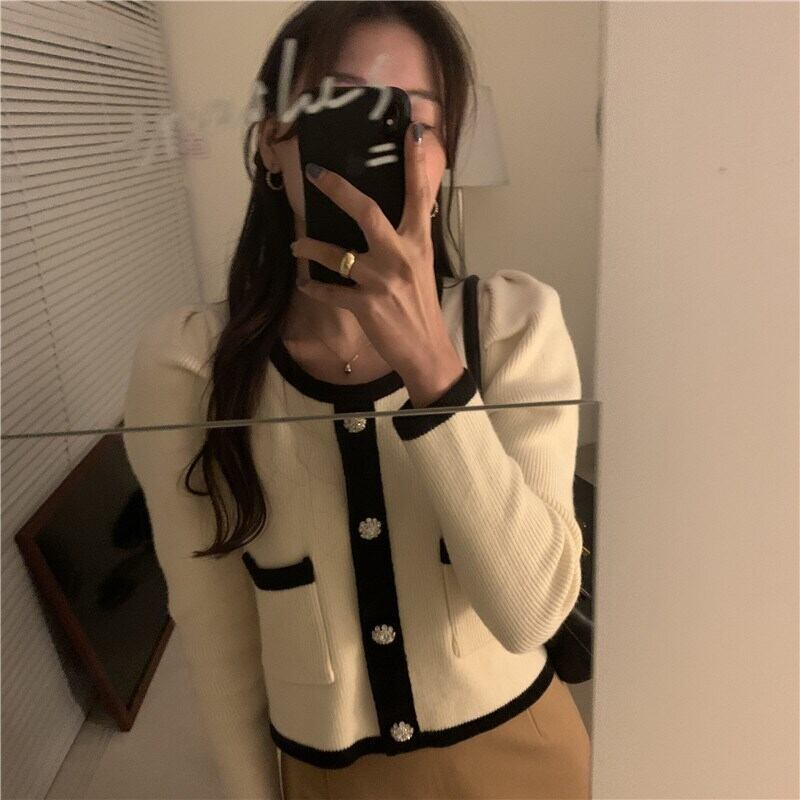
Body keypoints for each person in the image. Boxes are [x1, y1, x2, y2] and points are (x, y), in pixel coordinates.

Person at [122, 2, 591, 798]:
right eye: (343, 113)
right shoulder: (190, 366)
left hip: (522, 758)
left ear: (444, 157)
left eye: (418, 125)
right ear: (273, 143)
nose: (388, 150)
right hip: (326, 780)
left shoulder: (514, 325)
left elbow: (532, 615)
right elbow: (214, 634)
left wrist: (434, 369)